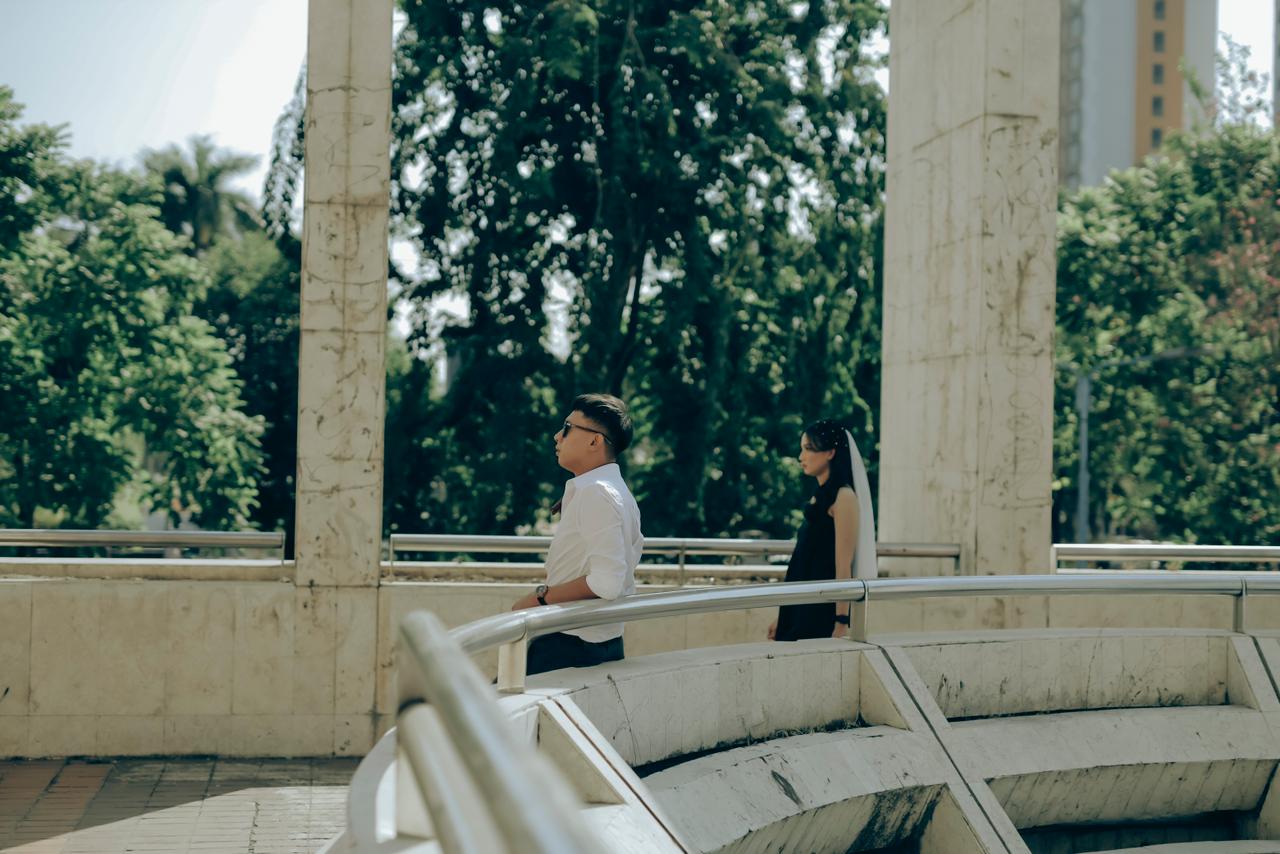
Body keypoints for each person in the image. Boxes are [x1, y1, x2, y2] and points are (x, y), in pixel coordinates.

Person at [510, 393, 644, 675]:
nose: (557, 436)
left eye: (567, 428)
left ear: (595, 441)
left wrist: (540, 598)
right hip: (595, 640)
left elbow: (607, 582)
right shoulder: (614, 491)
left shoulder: (597, 492)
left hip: (571, 643)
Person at [768, 419, 878, 641]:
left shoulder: (844, 497)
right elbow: (802, 558)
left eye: (808, 448)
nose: (801, 457)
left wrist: (841, 621)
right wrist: (783, 615)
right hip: (799, 603)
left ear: (830, 452)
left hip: (819, 608)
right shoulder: (819, 496)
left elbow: (843, 565)